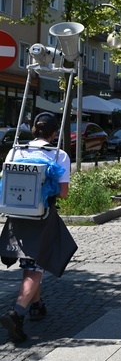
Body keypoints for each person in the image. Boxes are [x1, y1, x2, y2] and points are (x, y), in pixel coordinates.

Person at [0, 112, 76, 343]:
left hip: (16, 213)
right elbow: (63, 192)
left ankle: (36, 305)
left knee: (31, 260)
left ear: (33, 129)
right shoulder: (58, 155)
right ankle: (18, 312)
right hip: (41, 216)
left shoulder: (16, 150)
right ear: (54, 134)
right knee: (36, 265)